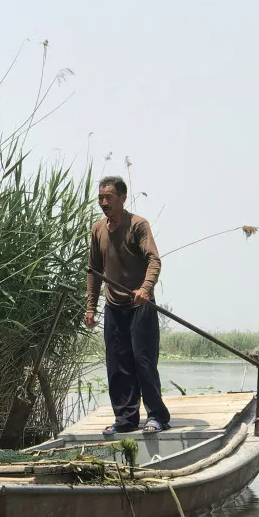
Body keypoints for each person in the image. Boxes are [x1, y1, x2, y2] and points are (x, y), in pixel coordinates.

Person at [84, 175, 172, 435]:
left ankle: (157, 416)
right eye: (100, 198)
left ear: (122, 198)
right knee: (117, 365)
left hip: (139, 304)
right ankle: (125, 419)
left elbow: (154, 260)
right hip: (114, 306)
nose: (104, 203)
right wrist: (90, 307)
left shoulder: (138, 225)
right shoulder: (98, 229)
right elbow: (93, 270)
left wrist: (145, 288)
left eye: (109, 197)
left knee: (143, 362)